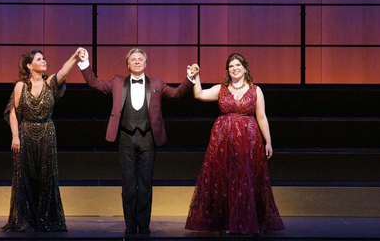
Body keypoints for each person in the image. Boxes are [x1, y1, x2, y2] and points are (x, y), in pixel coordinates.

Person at [76, 47, 198, 234]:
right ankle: (130, 225)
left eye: (140, 59)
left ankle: (144, 223)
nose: (137, 61)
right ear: (128, 64)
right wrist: (84, 62)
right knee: (129, 183)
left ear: (146, 63)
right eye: (133, 59)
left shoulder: (157, 83)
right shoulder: (118, 82)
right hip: (125, 137)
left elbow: (176, 94)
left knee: (145, 182)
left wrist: (189, 78)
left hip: (148, 138)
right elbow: (95, 84)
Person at [185, 53, 285, 234]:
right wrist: (196, 77)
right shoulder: (221, 88)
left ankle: (244, 221)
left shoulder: (256, 90)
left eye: (238, 65)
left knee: (245, 179)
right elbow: (199, 94)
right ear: (228, 70)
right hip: (223, 141)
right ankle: (226, 222)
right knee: (224, 179)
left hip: (248, 141)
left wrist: (268, 141)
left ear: (245, 68)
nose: (235, 68)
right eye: (231, 66)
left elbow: (261, 117)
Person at [2, 48, 81, 232]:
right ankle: (26, 220)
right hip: (25, 134)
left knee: (47, 177)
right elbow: (13, 111)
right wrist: (15, 136)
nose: (44, 61)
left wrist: (75, 56)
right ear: (29, 65)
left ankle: (47, 219)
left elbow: (63, 70)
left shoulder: (51, 82)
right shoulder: (21, 85)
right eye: (39, 59)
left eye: (44, 58)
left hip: (47, 133)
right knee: (25, 177)